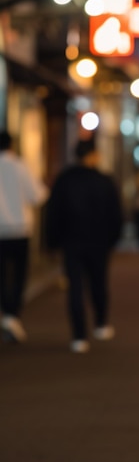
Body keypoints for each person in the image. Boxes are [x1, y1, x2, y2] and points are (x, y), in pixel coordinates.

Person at [45, 135, 123, 353]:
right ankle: (100, 323)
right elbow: (116, 214)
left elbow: (53, 213)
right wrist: (113, 239)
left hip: (72, 242)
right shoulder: (104, 180)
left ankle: (79, 336)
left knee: (75, 288)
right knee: (99, 283)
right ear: (94, 155)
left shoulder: (64, 180)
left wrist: (52, 243)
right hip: (99, 242)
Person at [0, 130, 49, 343]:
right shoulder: (20, 166)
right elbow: (39, 195)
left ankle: (7, 314)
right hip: (21, 229)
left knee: (1, 275)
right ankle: (12, 314)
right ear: (11, 145)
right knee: (19, 275)